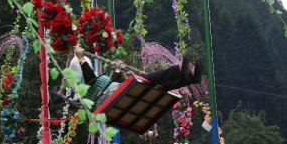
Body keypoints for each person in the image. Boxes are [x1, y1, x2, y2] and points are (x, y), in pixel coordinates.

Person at [70, 46, 203, 109]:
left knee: (161, 86)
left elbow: (109, 83)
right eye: (85, 65)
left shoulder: (92, 79)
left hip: (119, 93)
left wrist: (117, 71)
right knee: (150, 79)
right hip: (116, 98)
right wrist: (81, 58)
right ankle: (179, 70)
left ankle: (187, 79)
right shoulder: (82, 86)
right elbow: (90, 80)